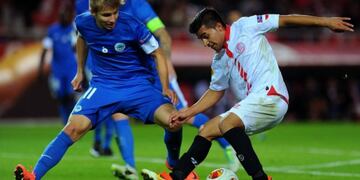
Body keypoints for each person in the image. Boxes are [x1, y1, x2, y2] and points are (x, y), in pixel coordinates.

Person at [141, 7, 354, 180]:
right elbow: (215, 92)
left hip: (272, 96)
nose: (205, 43)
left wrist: (325, 22)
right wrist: (188, 112)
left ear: (218, 26)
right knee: (207, 130)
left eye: (205, 36)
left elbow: (286, 20)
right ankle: (177, 175)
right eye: (201, 39)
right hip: (254, 103)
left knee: (227, 123)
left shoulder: (247, 26)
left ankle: (260, 178)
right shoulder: (219, 59)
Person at [12, 1, 189, 179]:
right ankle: (33, 176)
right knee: (72, 128)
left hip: (137, 86)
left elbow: (158, 53)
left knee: (173, 121)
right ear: (93, 13)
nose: (112, 19)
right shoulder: (83, 22)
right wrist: (80, 71)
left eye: (115, 13)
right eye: (106, 15)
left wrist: (165, 86)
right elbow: (82, 38)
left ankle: (173, 164)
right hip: (103, 87)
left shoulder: (133, 25)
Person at [110, 0, 240, 178]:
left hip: (156, 71)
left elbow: (163, 35)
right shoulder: (105, 10)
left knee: (183, 115)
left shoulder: (139, 7)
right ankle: (131, 167)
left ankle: (227, 146)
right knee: (118, 112)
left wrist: (167, 62)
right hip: (132, 74)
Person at [38, 2, 77, 125]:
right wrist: (40, 68)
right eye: (62, 15)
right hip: (57, 70)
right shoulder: (53, 30)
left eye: (66, 15)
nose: (64, 17)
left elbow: (78, 48)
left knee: (71, 96)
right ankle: (64, 122)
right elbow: (45, 49)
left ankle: (72, 121)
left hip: (71, 68)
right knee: (61, 98)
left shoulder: (73, 29)